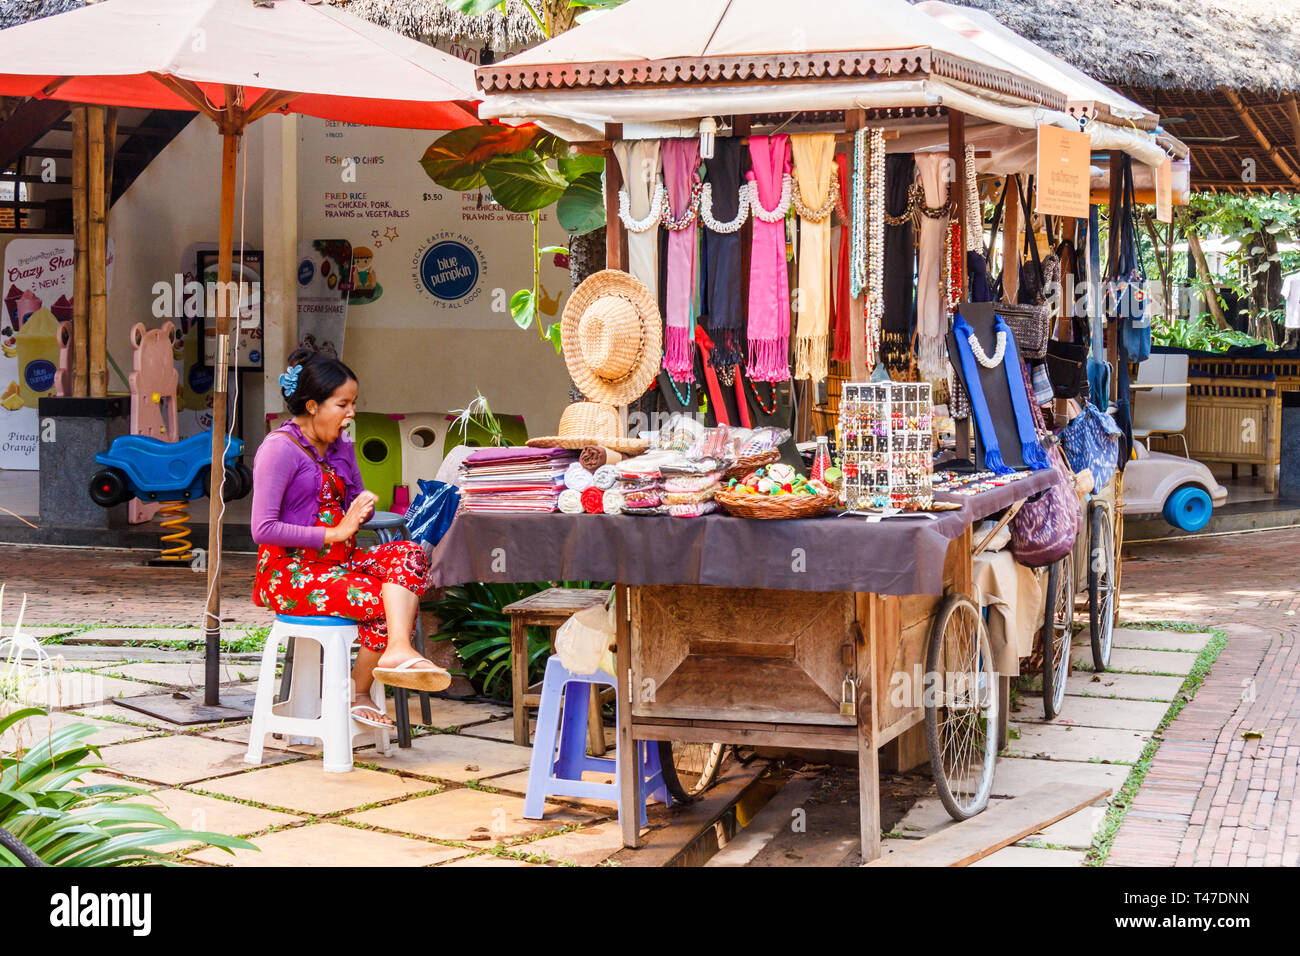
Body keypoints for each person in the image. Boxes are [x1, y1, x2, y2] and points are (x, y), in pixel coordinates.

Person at [250, 348, 450, 728]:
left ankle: (392, 656)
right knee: (385, 600)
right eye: (343, 404)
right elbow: (262, 529)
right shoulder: (279, 449)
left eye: (353, 403)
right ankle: (363, 686)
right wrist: (336, 531)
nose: (351, 413)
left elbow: (357, 500)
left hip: (340, 563)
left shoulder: (340, 445)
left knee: (408, 557)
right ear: (313, 405)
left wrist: (362, 509)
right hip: (290, 571)